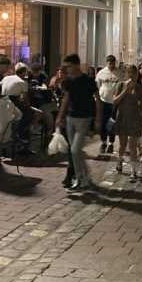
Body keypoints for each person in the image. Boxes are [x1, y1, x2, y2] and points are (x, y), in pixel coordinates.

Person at [56, 54, 102, 191]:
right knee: (75, 150)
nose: (67, 69)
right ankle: (84, 178)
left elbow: (98, 99)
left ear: (76, 65)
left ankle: (80, 178)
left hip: (84, 118)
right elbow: (66, 99)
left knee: (75, 150)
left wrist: (98, 119)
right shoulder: (69, 81)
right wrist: (60, 116)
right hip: (71, 117)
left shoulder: (88, 80)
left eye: (68, 66)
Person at [113, 65, 142, 181]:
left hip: (135, 119)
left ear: (137, 75)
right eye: (129, 73)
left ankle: (133, 171)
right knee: (122, 145)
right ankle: (119, 161)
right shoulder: (120, 85)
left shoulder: (140, 89)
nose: (132, 76)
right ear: (126, 74)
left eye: (134, 73)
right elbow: (115, 101)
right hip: (122, 118)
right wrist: (125, 91)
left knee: (132, 146)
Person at [95, 55, 121, 154]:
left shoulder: (119, 73)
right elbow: (97, 86)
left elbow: (123, 85)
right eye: (109, 63)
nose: (111, 65)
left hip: (115, 102)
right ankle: (103, 142)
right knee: (103, 123)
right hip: (104, 101)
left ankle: (111, 143)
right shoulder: (101, 73)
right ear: (107, 63)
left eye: (113, 63)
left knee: (112, 123)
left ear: (115, 62)